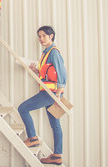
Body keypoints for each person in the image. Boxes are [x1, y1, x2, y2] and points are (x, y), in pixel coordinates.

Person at [18, 26, 67, 165]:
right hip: (50, 93)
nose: (41, 39)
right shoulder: (45, 53)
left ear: (51, 36)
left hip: (50, 94)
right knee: (55, 124)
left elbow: (62, 74)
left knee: (23, 108)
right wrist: (35, 71)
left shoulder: (53, 52)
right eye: (39, 36)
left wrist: (58, 95)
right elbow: (48, 75)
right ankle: (57, 155)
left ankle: (32, 138)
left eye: (44, 35)